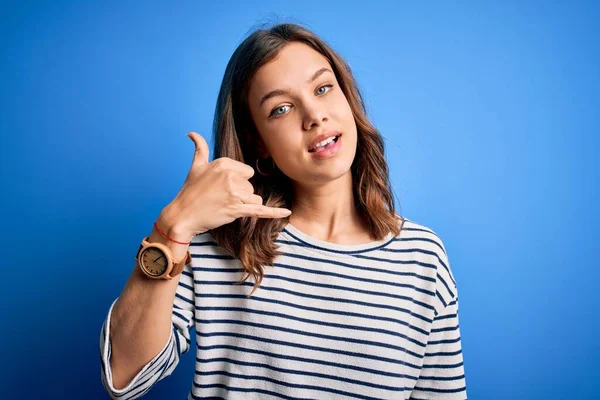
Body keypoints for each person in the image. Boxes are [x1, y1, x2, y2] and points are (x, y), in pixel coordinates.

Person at [99, 22, 467, 400]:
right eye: (281, 108)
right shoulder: (212, 245)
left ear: (348, 99)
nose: (314, 115)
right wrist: (173, 226)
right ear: (259, 141)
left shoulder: (422, 256)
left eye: (323, 88)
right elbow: (125, 376)